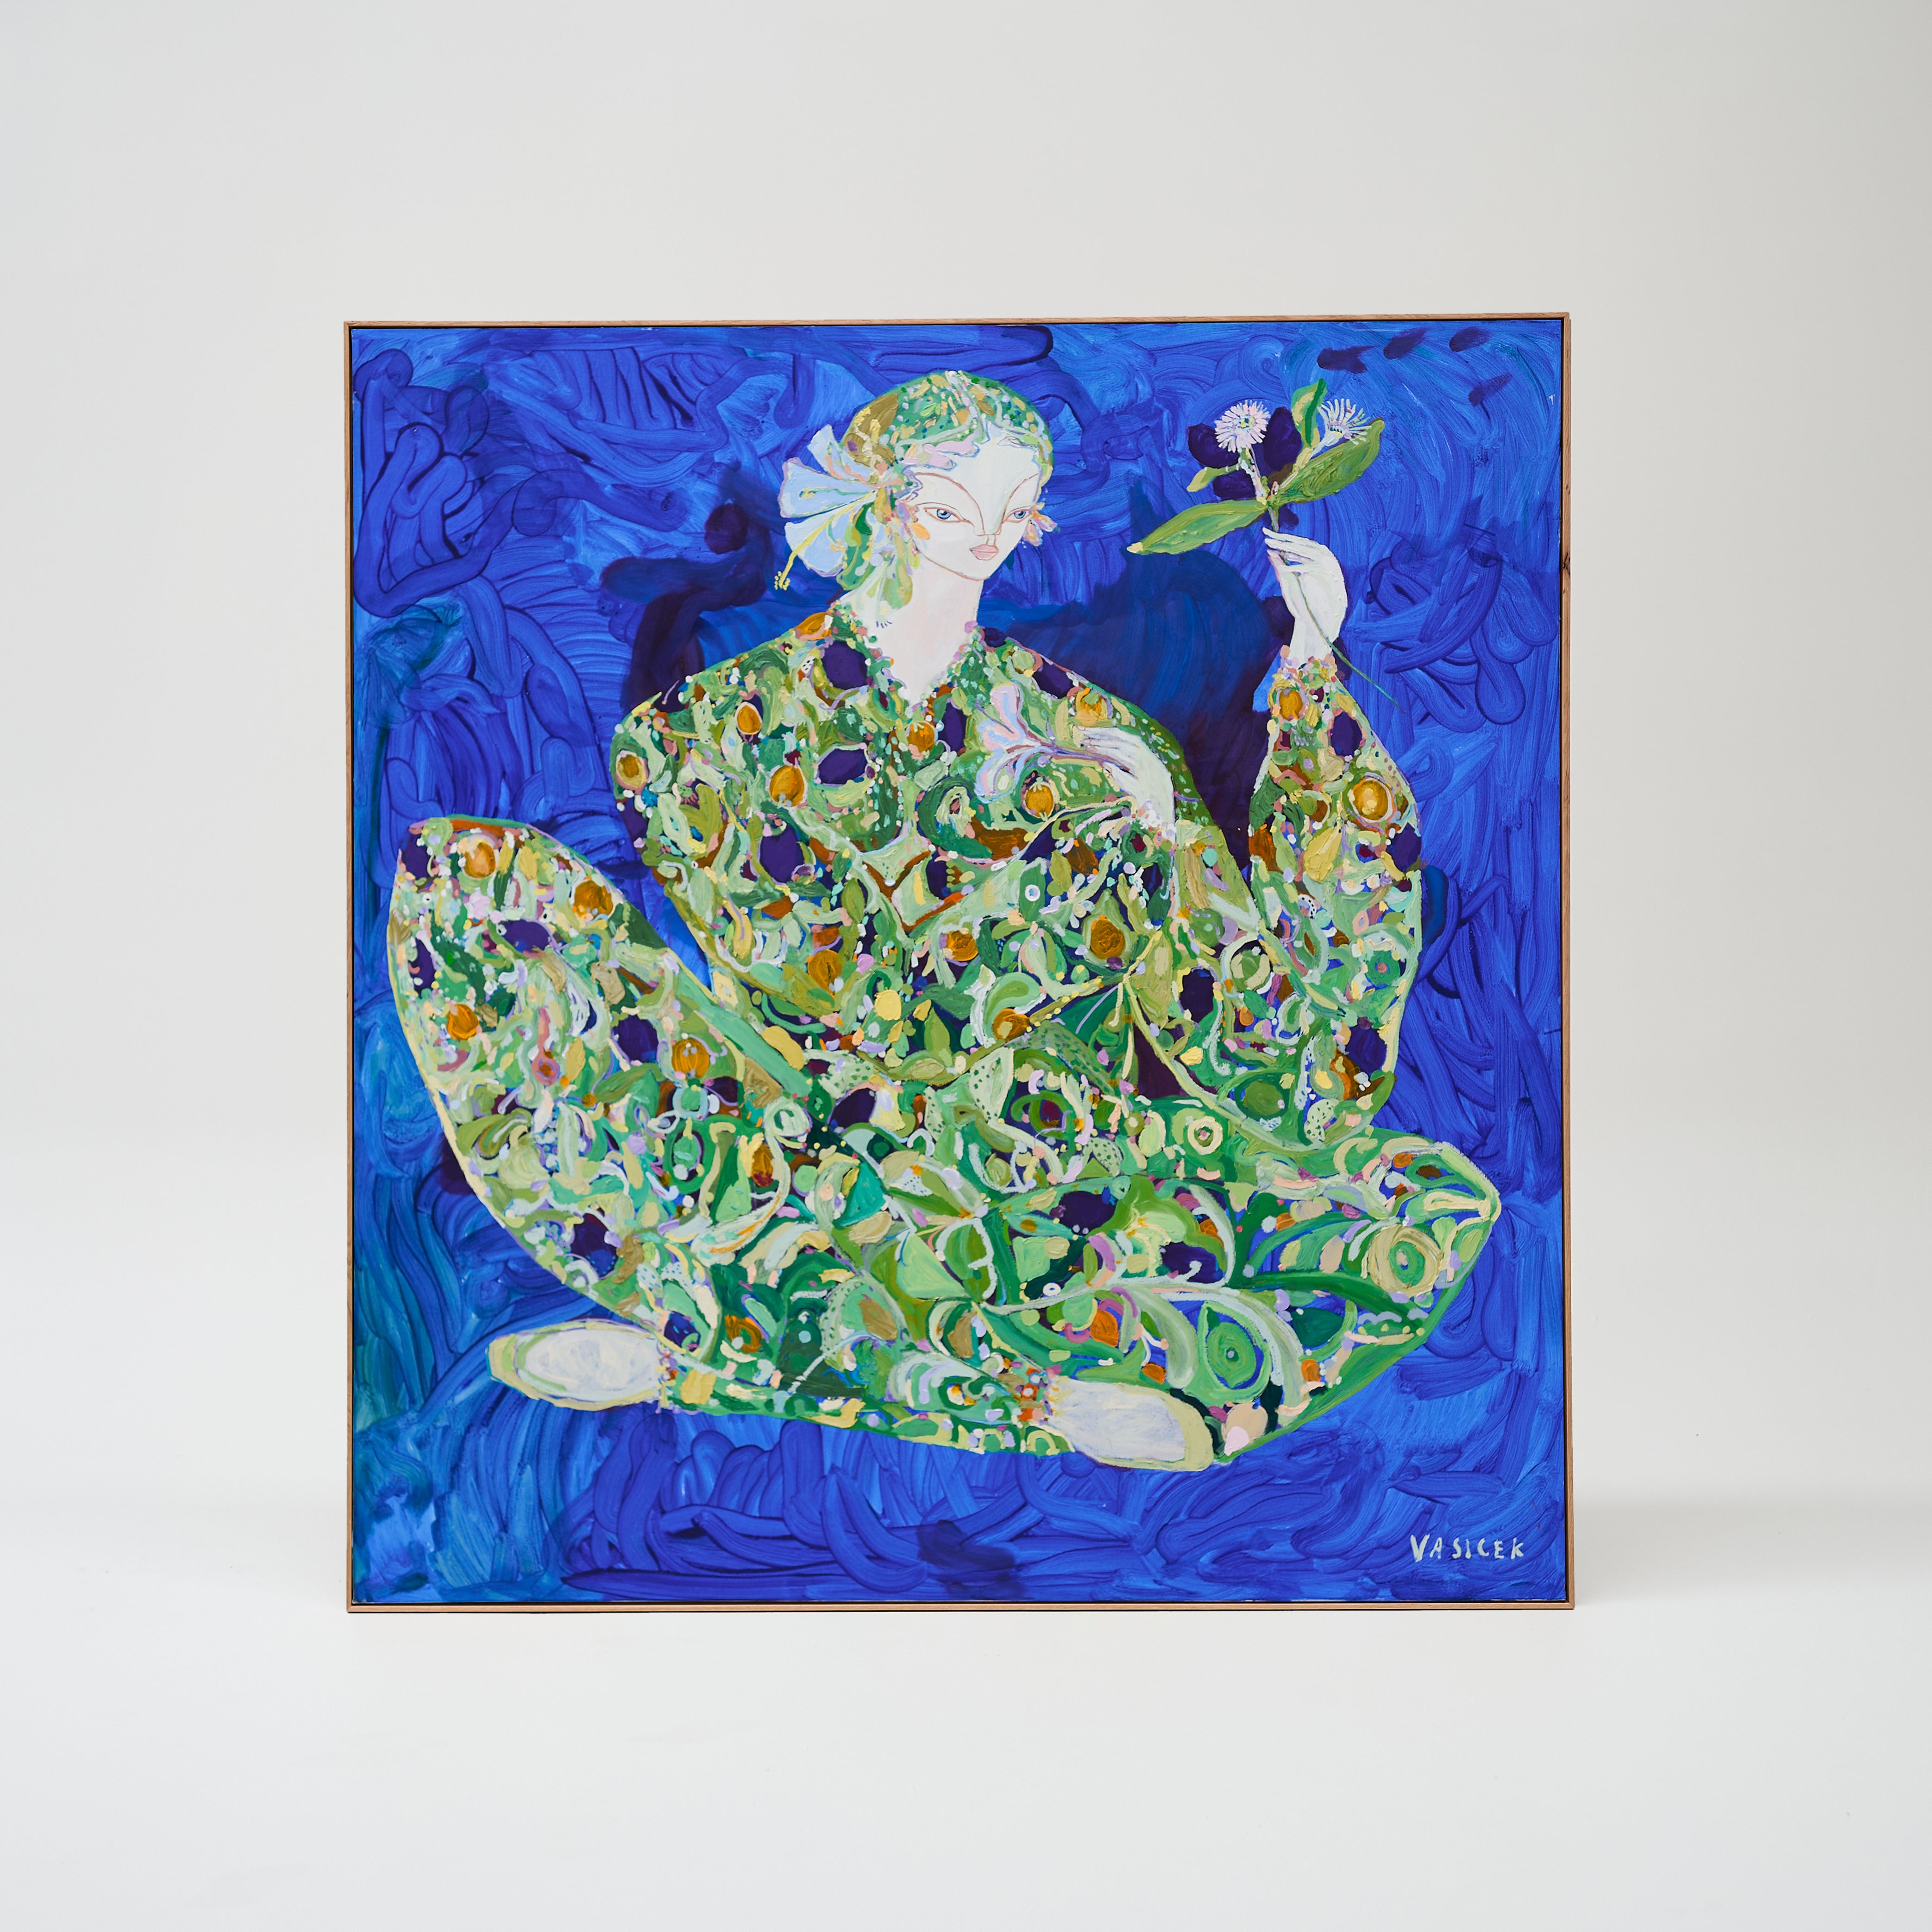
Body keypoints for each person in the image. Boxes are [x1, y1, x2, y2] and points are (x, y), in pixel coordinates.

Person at [388, 370, 1498, 1471]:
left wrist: (1259, 726)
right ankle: (1012, 1395)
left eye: (1015, 514)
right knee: (467, 887)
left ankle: (725, 1359)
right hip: (787, 1143)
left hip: (1033, 1176)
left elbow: (1271, 1058)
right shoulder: (705, 733)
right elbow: (838, 995)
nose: (984, 542)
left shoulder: (1095, 738)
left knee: (1411, 1208)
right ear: (879, 503)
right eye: (949, 509)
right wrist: (1033, 895)